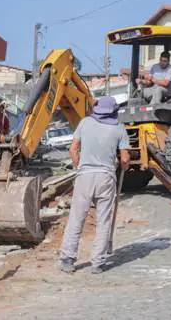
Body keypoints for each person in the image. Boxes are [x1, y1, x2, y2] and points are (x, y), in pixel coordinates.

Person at [59, 96, 130, 274]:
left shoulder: (85, 123)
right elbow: (125, 158)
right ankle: (97, 262)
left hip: (84, 176)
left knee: (76, 218)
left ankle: (68, 259)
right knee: (103, 220)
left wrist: (80, 166)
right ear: (114, 111)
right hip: (106, 177)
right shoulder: (119, 128)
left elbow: (72, 149)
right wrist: (124, 166)